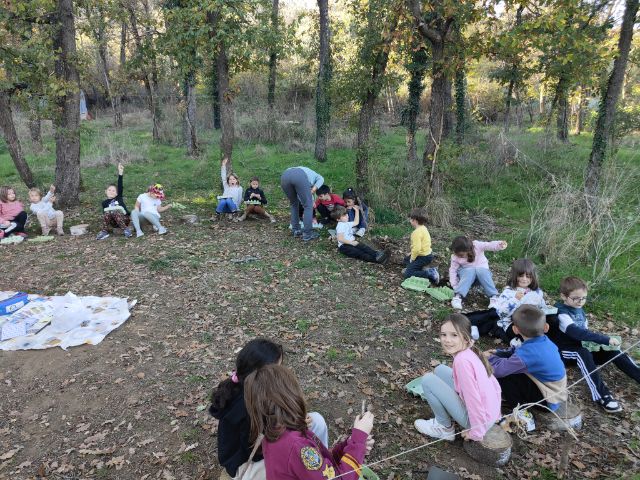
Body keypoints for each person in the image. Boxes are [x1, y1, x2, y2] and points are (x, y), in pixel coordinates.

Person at [245, 364, 374, 480]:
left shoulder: (274, 432)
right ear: (291, 397)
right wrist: (358, 440)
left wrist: (351, 444)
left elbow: (325, 464)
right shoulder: (298, 447)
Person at [546, 277, 640, 413]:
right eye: (576, 298)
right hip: (564, 352)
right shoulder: (561, 313)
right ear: (563, 296)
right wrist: (604, 339)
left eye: (584, 298)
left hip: (580, 348)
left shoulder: (579, 310)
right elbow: (577, 333)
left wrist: (601, 345)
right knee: (582, 352)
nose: (580, 301)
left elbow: (585, 333)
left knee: (612, 351)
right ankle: (602, 395)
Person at [414, 313, 501, 442]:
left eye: (454, 335)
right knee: (439, 370)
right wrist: (496, 413)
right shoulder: (470, 351)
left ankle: (444, 428)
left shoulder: (462, 362)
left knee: (428, 380)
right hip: (490, 414)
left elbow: (473, 398)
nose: (447, 340)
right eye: (444, 335)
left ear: (465, 338)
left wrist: (476, 433)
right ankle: (452, 414)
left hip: (479, 422)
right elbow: (494, 384)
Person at [487, 305, 568, 430]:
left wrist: (488, 359)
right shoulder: (544, 341)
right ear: (546, 327)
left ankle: (524, 415)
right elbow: (519, 352)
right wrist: (499, 353)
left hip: (548, 399)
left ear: (515, 329)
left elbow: (498, 371)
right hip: (556, 391)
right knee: (513, 370)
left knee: (507, 378)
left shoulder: (528, 354)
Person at [466, 258, 546, 342]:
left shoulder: (537, 292)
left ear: (533, 276)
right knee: (490, 316)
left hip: (530, 323)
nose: (524, 279)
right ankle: (471, 326)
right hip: (510, 322)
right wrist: (515, 299)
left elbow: (542, 307)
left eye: (528, 276)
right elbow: (501, 312)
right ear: (515, 276)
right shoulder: (509, 291)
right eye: (521, 276)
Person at [449, 236, 507, 311]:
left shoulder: (477, 245)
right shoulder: (455, 257)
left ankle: (494, 297)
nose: (459, 257)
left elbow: (488, 245)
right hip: (467, 278)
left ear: (468, 250)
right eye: (457, 255)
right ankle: (458, 296)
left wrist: (499, 244)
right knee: (470, 271)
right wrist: (455, 285)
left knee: (481, 270)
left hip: (482, 277)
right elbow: (453, 271)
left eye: (461, 255)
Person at [280, 166, 324, 241]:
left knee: (294, 204)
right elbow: (321, 179)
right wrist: (313, 190)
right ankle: (308, 234)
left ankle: (296, 230)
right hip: (299, 175)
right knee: (308, 206)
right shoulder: (318, 177)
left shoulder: (308, 172)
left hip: (285, 175)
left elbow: (300, 195)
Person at [402, 208, 439, 283]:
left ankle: (430, 272)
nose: (410, 221)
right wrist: (411, 254)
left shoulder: (416, 233)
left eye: (410, 219)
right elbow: (423, 245)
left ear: (414, 220)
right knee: (406, 260)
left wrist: (412, 258)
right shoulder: (423, 228)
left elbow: (417, 249)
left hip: (423, 257)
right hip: (428, 255)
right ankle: (418, 268)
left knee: (407, 274)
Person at [97, 163, 132, 240]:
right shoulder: (104, 203)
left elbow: (120, 185)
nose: (111, 192)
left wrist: (120, 173)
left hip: (124, 219)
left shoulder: (118, 198)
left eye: (113, 191)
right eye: (109, 190)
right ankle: (104, 232)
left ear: (116, 193)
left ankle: (126, 230)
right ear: (105, 192)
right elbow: (105, 215)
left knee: (114, 211)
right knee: (107, 212)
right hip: (114, 222)